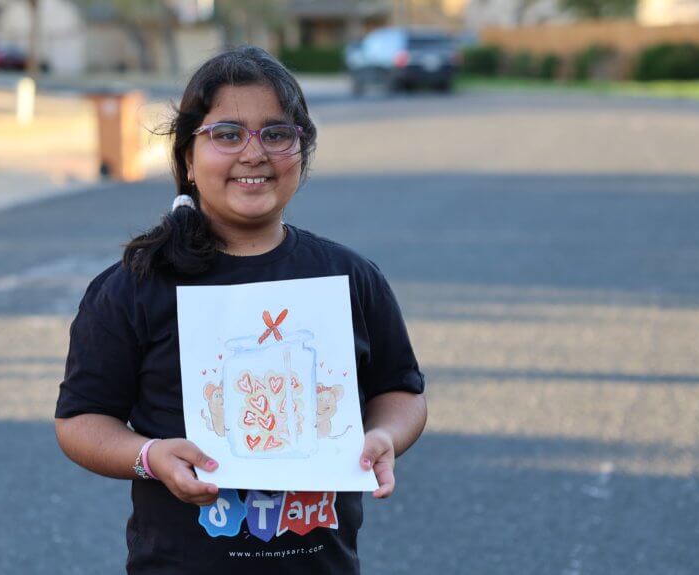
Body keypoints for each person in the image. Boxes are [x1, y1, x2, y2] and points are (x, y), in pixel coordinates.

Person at [54, 45, 427, 574]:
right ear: (187, 157)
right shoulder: (134, 287)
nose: (253, 153)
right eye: (226, 134)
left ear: (302, 152)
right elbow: (81, 420)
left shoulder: (350, 278)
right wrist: (149, 456)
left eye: (276, 134)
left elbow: (401, 390)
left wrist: (384, 436)